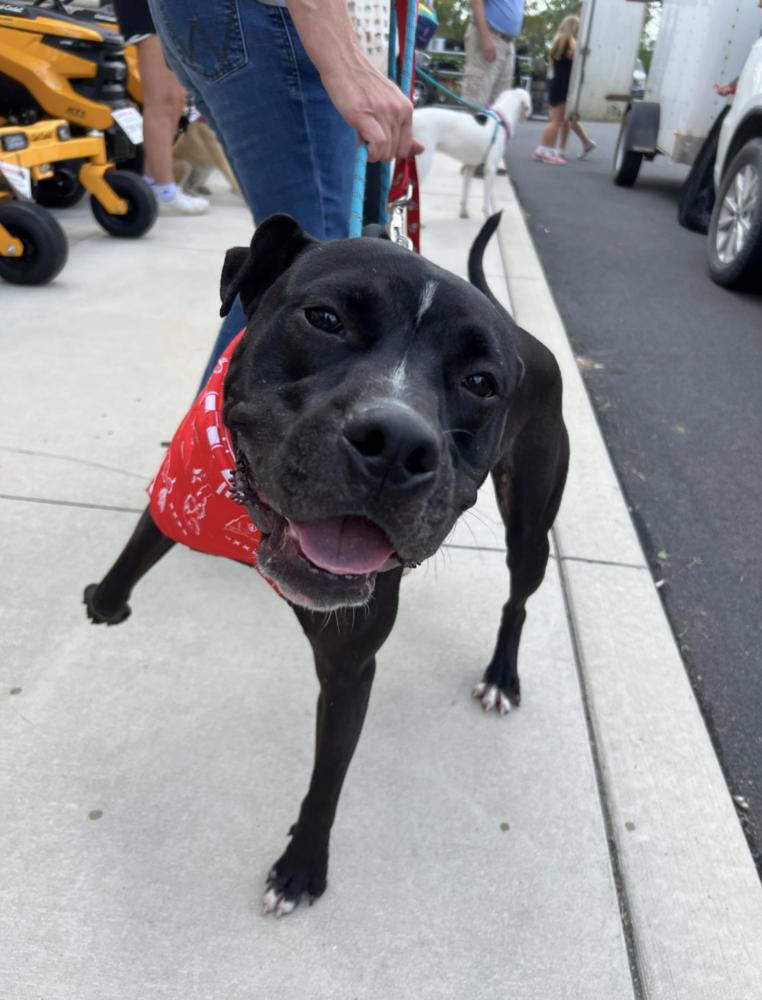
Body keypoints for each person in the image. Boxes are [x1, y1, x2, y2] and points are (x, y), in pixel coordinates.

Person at [146, 0, 422, 384]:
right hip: (274, 19)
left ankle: (211, 441)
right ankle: (213, 443)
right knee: (310, 269)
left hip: (221, 19)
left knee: (300, 264)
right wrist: (344, 60)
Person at [112, 0, 209, 215]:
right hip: (149, 10)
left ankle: (153, 182)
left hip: (170, 9)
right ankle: (165, 189)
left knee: (175, 100)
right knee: (163, 100)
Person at [532, 15, 596, 166]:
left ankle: (543, 149)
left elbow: (554, 68)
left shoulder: (557, 42)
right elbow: (578, 58)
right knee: (557, 121)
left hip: (556, 83)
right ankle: (547, 151)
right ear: (575, 28)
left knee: (554, 120)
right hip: (564, 85)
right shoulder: (571, 42)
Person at [462, 0, 524, 108]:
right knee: (476, 103)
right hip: (489, 35)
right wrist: (485, 37)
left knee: (500, 106)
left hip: (508, 43)